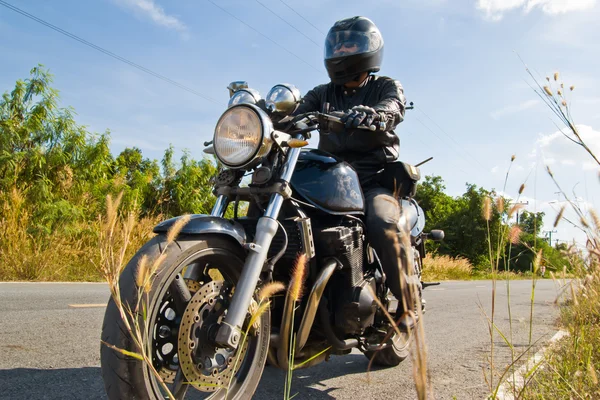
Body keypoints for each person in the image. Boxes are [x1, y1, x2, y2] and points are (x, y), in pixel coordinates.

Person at [294, 16, 419, 331]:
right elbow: (295, 116)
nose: (342, 49)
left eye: (350, 43)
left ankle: (407, 304)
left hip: (373, 178)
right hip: (331, 181)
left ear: (370, 49)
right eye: (337, 44)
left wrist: (377, 115)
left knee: (382, 221)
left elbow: (394, 106)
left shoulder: (385, 86)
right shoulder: (321, 92)